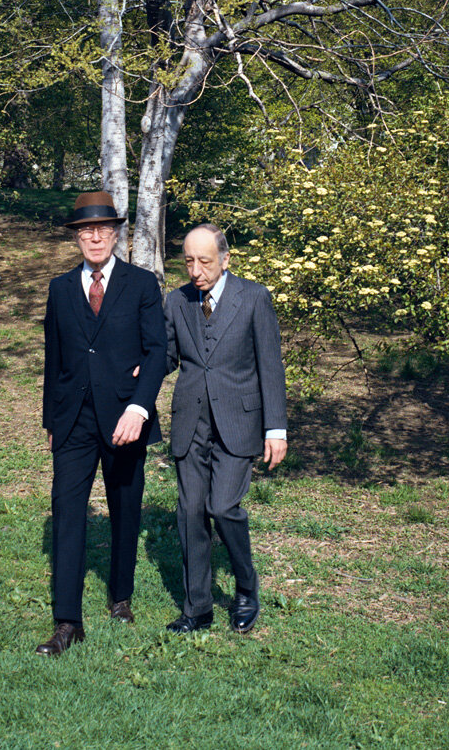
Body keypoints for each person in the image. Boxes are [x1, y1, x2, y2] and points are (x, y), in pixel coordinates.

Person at [37, 191, 166, 656]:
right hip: (73, 421)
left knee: (125, 509)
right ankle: (68, 621)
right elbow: (55, 358)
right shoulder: (59, 288)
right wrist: (51, 417)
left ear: (116, 234)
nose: (94, 236)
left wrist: (139, 407)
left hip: (125, 418)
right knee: (67, 513)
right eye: (85, 230)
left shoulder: (142, 284)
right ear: (76, 238)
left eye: (103, 229)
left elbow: (157, 352)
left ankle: (121, 596)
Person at [164, 223, 288, 634]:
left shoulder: (254, 298)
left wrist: (276, 429)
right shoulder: (176, 301)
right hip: (190, 423)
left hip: (239, 423)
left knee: (222, 508)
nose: (196, 271)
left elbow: (271, 366)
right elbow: (164, 357)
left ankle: (246, 589)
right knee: (191, 513)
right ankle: (197, 609)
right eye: (189, 262)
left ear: (226, 259)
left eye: (205, 261)